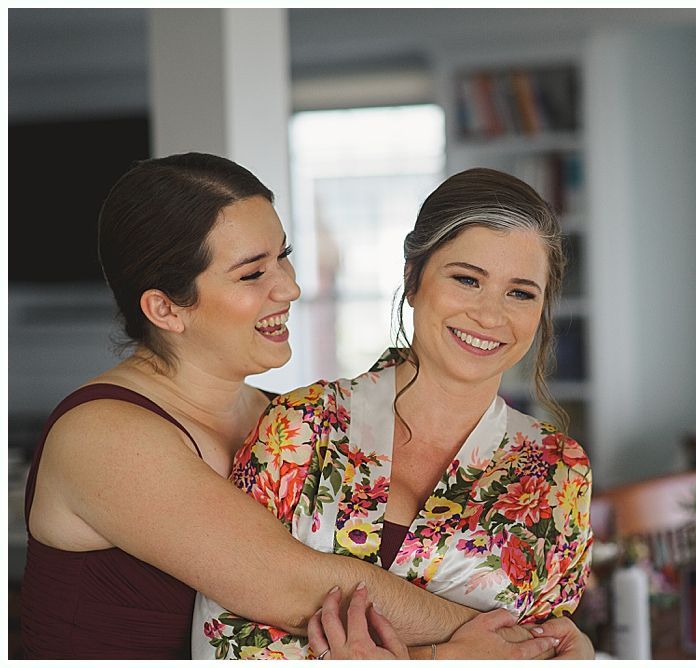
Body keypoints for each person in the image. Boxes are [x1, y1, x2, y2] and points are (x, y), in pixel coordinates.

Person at [20, 154, 554, 660]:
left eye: (284, 256)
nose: (292, 288)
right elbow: (307, 590)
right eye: (253, 274)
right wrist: (525, 643)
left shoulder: (291, 420)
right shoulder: (102, 435)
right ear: (165, 308)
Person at [192, 168, 596, 660]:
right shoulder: (302, 427)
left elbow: (539, 653)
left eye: (520, 293)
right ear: (413, 277)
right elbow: (223, 639)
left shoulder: (558, 471)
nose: (491, 316)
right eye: (467, 279)